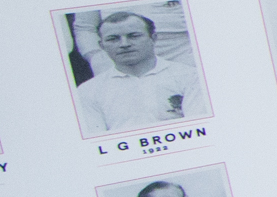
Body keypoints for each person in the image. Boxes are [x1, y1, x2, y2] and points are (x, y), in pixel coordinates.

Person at [72, 8, 205, 135]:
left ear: (153, 38)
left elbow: (199, 130)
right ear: (101, 46)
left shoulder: (190, 77)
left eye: (133, 36)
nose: (124, 44)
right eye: (113, 39)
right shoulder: (88, 91)